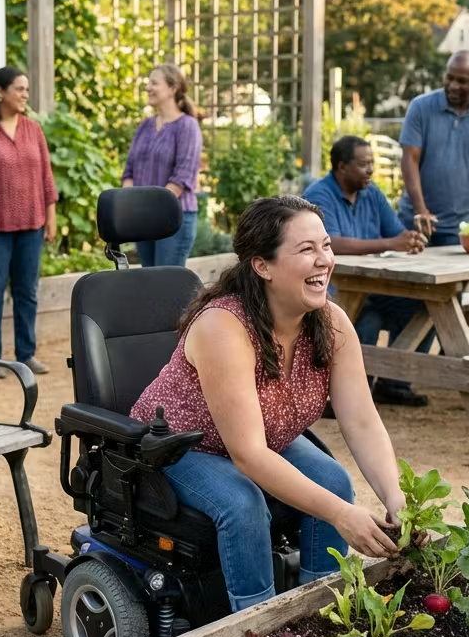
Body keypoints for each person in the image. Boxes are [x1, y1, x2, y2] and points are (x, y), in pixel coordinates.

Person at [130, 196, 404, 613]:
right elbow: (251, 456)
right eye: (306, 250)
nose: (323, 260)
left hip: (263, 435)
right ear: (263, 266)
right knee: (243, 504)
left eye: (326, 246)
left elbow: (363, 421)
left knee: (334, 482)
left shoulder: (331, 324)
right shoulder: (224, 326)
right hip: (180, 445)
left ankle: (325, 610)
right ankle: (256, 627)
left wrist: (395, 497)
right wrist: (342, 516)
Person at [302, 136, 429, 407]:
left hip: (375, 286)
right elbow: (330, 242)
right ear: (341, 167)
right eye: (363, 164)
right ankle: (347, 397)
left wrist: (409, 240)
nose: (370, 170)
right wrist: (390, 243)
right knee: (367, 318)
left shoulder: (371, 193)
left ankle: (394, 382)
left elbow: (396, 233)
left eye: (371, 163)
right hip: (332, 289)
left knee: (424, 306)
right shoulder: (318, 195)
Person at [0, 66, 58, 377]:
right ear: (0, 91)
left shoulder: (33, 129)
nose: (24, 95)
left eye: (26, 89)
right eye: (19, 89)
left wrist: (51, 216)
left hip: (31, 223)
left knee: (27, 290)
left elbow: (46, 175)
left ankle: (26, 354)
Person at [398, 50, 469, 242]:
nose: (453, 85)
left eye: (462, 81)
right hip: (415, 221)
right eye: (449, 78)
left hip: (461, 228)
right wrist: (420, 210)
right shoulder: (420, 107)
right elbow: (410, 159)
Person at [122, 64, 203, 267]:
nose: (148, 87)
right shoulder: (145, 127)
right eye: (148, 82)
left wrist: (148, 207)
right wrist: (132, 203)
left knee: (167, 290)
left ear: (173, 88)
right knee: (149, 285)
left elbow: (181, 178)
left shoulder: (187, 127)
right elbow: (129, 170)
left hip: (174, 218)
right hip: (144, 219)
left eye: (154, 83)